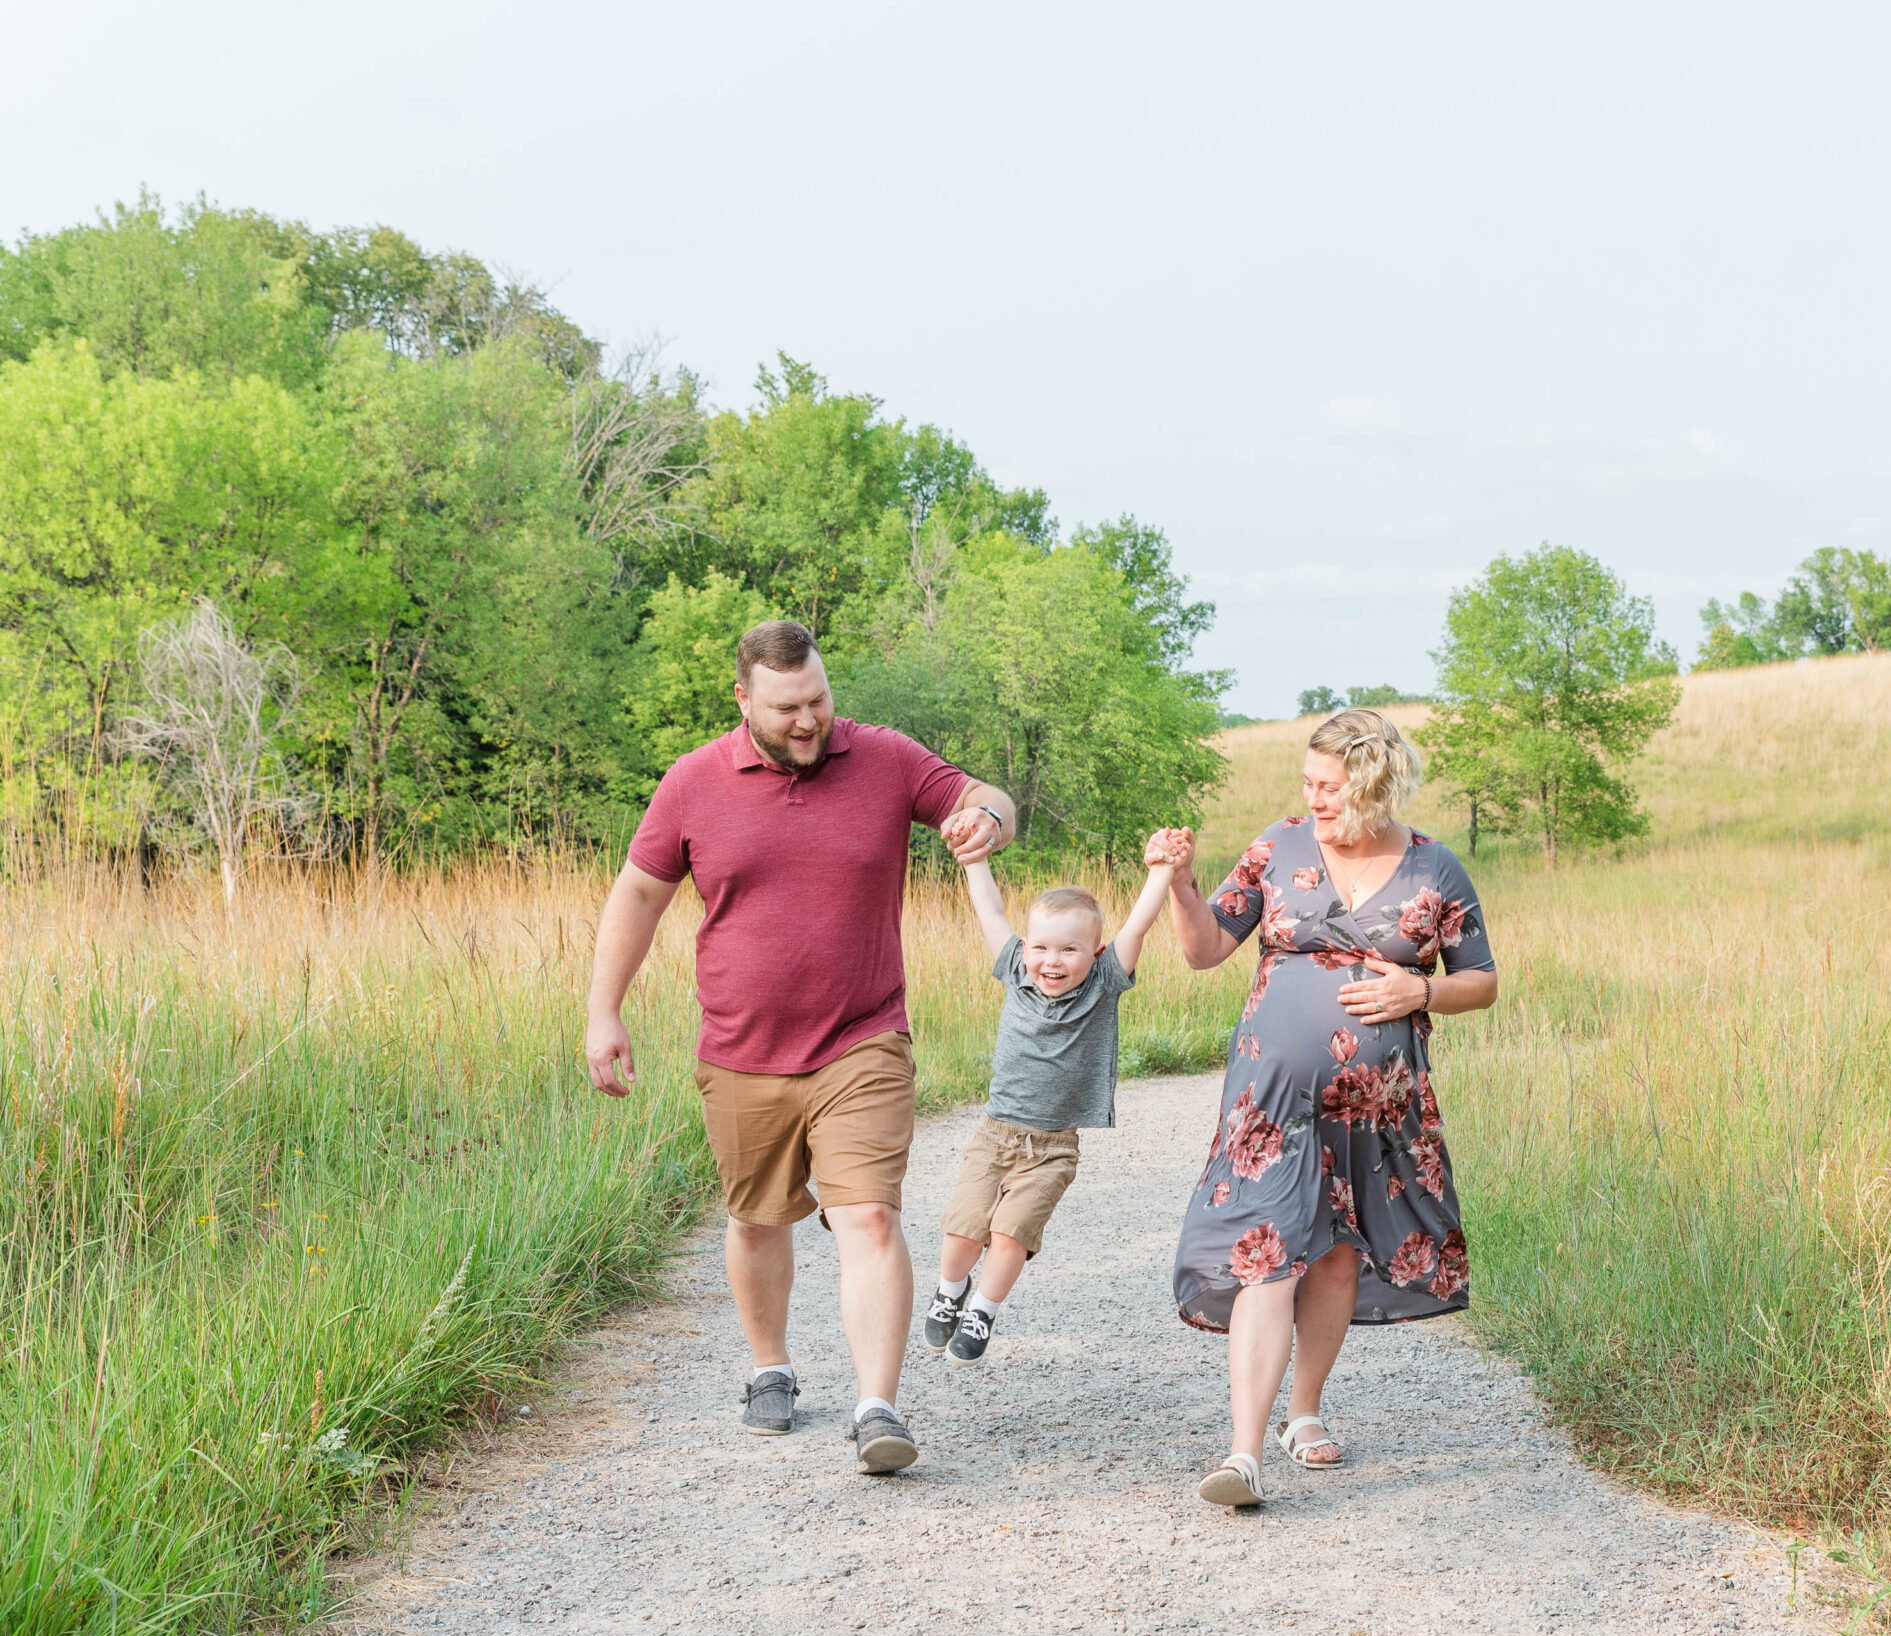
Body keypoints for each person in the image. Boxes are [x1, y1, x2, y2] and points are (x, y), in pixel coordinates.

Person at [582, 619, 1015, 1473]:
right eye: (788, 708)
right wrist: (605, 1010)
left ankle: (877, 1407)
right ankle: (769, 1366)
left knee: (867, 1213)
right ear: (744, 700)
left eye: (818, 698)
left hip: (864, 1037)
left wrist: (986, 822)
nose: (810, 720)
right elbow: (638, 894)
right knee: (755, 1217)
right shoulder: (692, 782)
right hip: (741, 1048)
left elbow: (984, 795)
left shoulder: (884, 757)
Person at [1155, 708, 1500, 1507]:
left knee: (1340, 1252)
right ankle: (1243, 1454)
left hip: (1375, 1110)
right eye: (1307, 783)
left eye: (1330, 787)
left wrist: (1421, 987)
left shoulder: (1433, 869)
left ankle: (1301, 1409)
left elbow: (1482, 978)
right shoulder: (1277, 847)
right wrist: (1178, 884)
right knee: (1266, 1252)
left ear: (1373, 788)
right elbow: (1206, 948)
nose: (1312, 798)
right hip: (1271, 1099)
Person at [923, 833, 1183, 1365]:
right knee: (964, 1228)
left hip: (1053, 1147)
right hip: (995, 1133)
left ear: (1096, 952)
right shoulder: (1015, 970)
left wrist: (1161, 870)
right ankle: (951, 1291)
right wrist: (974, 861)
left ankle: (983, 1310)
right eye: (1041, 946)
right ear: (1027, 947)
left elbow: (1137, 926)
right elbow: (989, 910)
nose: (1052, 960)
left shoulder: (1105, 983)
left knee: (1010, 1233)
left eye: (1069, 949)